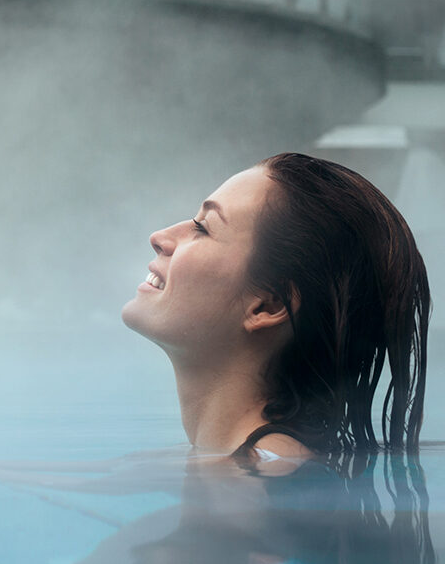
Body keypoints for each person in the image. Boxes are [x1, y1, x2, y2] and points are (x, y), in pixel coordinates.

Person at [120, 151, 431, 463]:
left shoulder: (254, 478)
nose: (159, 237)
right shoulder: (239, 463)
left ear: (267, 306)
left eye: (203, 227)